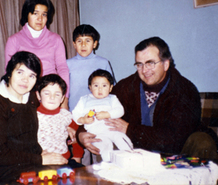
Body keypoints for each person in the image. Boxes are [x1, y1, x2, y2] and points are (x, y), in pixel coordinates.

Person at [78, 37, 218, 159]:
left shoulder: (185, 90)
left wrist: (130, 129)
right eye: (139, 64)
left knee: (203, 141)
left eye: (150, 63)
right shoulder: (126, 86)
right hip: (139, 152)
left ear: (166, 64)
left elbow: (175, 139)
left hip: (178, 151)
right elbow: (95, 106)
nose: (144, 70)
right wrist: (81, 135)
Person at [0, 51, 67, 184]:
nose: (25, 80)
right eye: (20, 72)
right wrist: (40, 160)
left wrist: (74, 130)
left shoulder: (32, 98)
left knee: (76, 172)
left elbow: (51, 116)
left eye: (32, 75)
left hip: (29, 163)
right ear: (10, 72)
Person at [5, 0, 69, 109]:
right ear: (27, 14)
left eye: (44, 14)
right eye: (35, 13)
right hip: (25, 93)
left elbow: (62, 68)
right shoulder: (14, 40)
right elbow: (10, 73)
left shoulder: (56, 39)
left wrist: (64, 98)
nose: (40, 19)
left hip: (52, 94)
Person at [67, 24, 115, 164]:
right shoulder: (67, 64)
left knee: (100, 150)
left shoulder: (103, 62)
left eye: (88, 40)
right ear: (74, 44)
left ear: (95, 44)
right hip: (76, 115)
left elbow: (112, 89)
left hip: (99, 115)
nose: (83, 44)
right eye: (79, 41)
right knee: (81, 153)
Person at [72, 69, 132, 162]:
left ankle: (130, 157)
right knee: (104, 148)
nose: (100, 89)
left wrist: (107, 114)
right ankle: (107, 164)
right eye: (96, 86)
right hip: (96, 133)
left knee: (121, 140)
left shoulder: (112, 98)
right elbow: (75, 113)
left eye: (104, 86)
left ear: (110, 88)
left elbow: (120, 111)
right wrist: (83, 120)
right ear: (90, 87)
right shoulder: (84, 100)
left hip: (113, 129)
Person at [36, 74, 84, 165]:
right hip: (42, 161)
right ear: (38, 95)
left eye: (57, 94)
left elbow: (77, 136)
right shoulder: (33, 116)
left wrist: (77, 156)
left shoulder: (66, 115)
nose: (52, 97)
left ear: (62, 98)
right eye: (47, 93)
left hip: (64, 161)